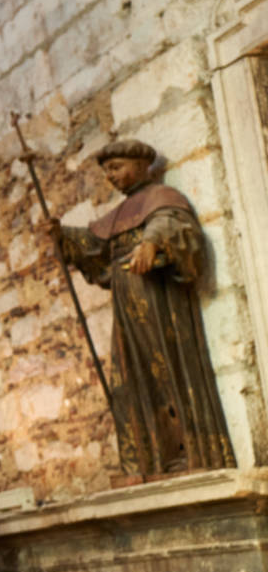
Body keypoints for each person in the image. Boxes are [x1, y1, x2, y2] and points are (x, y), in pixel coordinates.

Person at [55, 139, 233, 479]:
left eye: (117, 167)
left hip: (159, 305)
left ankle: (188, 453)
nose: (112, 177)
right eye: (107, 171)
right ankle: (150, 461)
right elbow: (95, 245)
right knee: (132, 380)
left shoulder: (162, 199)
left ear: (141, 166)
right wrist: (62, 236)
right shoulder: (121, 212)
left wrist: (151, 243)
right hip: (127, 312)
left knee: (167, 372)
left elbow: (172, 224)